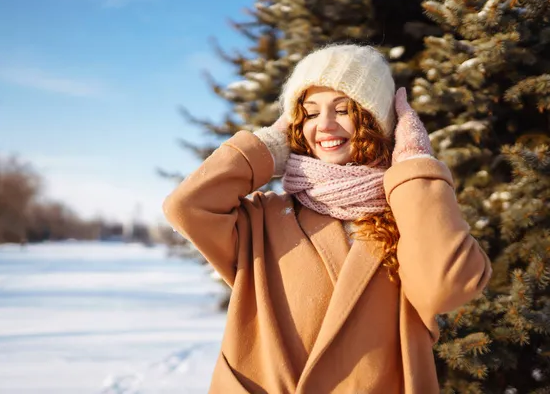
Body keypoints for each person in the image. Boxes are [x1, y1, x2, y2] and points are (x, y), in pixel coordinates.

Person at [163, 44, 492, 394]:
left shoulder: (409, 216)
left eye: (343, 109)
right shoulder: (263, 217)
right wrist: (267, 148)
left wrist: (413, 165)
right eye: (308, 113)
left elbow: (447, 286)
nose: (325, 125)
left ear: (374, 120)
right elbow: (187, 206)